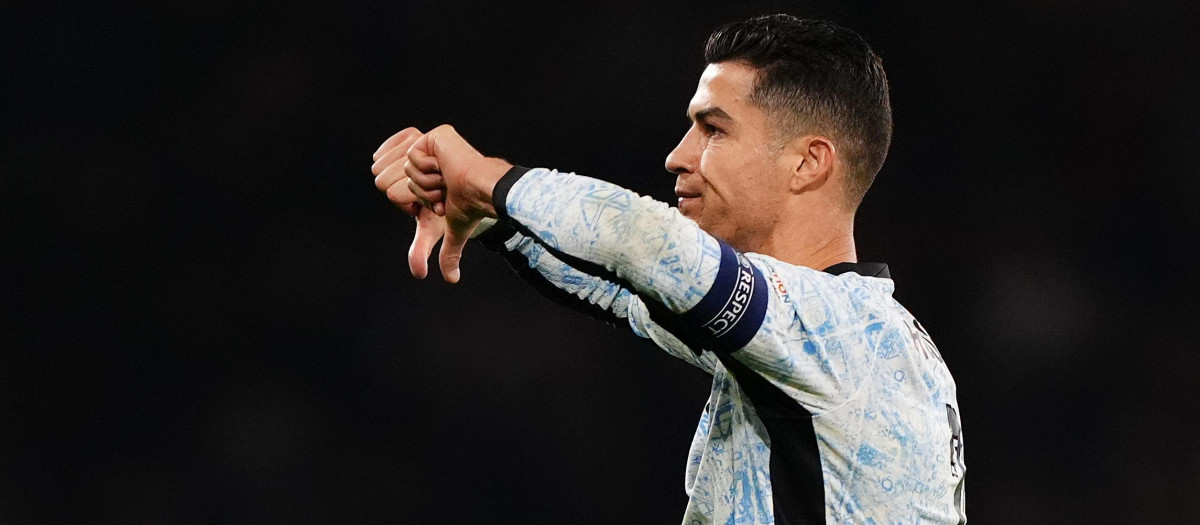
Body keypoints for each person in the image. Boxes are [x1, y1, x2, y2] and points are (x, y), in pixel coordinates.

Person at [371, 15, 965, 524]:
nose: (677, 155)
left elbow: (645, 243)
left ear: (808, 162)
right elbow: (623, 290)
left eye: (713, 129)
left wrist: (487, 179)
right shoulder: (808, 340)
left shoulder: (847, 332)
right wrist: (487, 221)